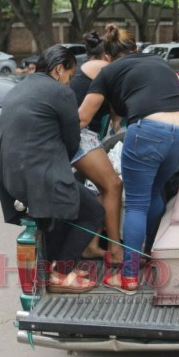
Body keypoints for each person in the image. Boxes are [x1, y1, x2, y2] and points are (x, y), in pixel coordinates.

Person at [78, 25, 179, 294]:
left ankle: (129, 276)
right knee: (154, 193)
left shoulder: (108, 71)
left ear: (107, 56)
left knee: (137, 204)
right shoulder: (160, 62)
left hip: (149, 131)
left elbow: (83, 117)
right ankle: (148, 254)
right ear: (136, 48)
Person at [0, 44, 105, 293]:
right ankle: (61, 273)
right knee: (92, 211)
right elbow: (72, 141)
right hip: (40, 177)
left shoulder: (19, 87)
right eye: (68, 77)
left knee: (62, 211)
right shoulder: (60, 93)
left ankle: (55, 267)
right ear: (58, 70)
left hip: (11, 177)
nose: (68, 84)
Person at [69, 28, 124, 264]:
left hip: (83, 134)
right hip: (79, 134)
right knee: (113, 185)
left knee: (103, 188)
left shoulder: (91, 66)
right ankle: (116, 250)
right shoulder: (103, 68)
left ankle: (91, 246)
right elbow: (119, 106)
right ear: (111, 56)